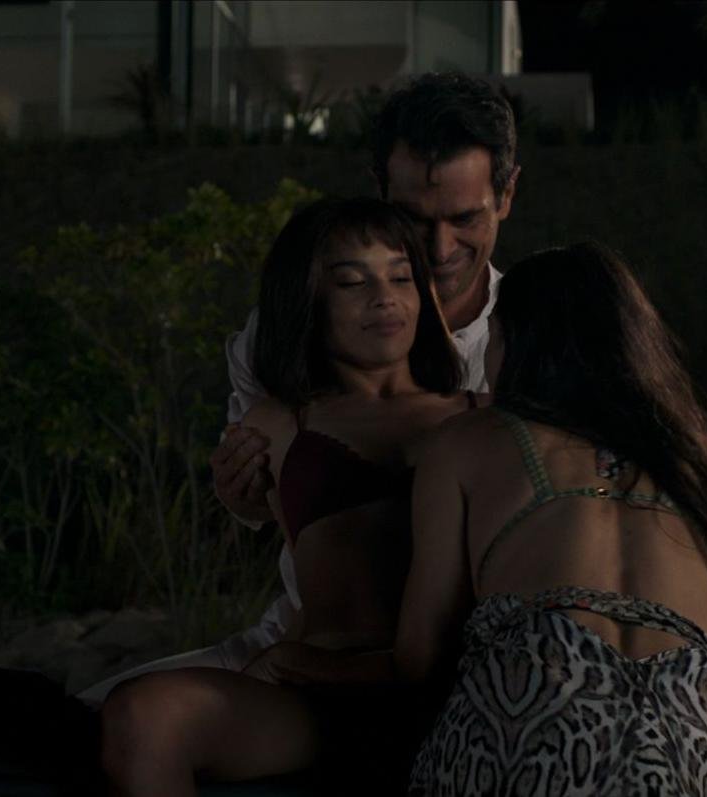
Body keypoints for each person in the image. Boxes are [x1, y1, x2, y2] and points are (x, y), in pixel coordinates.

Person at [78, 71, 521, 704]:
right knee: (93, 716)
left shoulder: (529, 337)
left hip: (469, 661)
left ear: (506, 195)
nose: (438, 247)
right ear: (378, 190)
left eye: (464, 218)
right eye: (412, 219)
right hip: (306, 636)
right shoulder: (286, 335)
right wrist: (244, 495)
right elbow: (267, 497)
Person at [97, 197, 482, 796]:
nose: (385, 297)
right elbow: (262, 515)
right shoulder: (278, 423)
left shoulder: (484, 415)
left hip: (453, 688)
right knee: (145, 716)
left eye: (402, 277)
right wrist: (242, 500)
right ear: (308, 301)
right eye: (352, 282)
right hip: (321, 691)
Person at [396, 243, 707, 797]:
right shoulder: (701, 471)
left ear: (516, 343)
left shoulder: (465, 442)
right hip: (685, 763)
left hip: (532, 754)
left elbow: (418, 657)